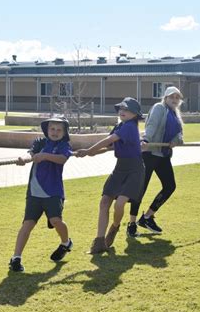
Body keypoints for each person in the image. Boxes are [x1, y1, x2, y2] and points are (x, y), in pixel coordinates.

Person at [77, 97, 145, 254]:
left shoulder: (129, 126)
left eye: (126, 109)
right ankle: (99, 241)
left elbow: (109, 139)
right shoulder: (120, 126)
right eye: (121, 108)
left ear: (135, 114)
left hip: (134, 170)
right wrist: (91, 153)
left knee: (119, 204)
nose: (122, 111)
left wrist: (89, 150)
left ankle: (114, 227)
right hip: (120, 168)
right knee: (104, 202)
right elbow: (109, 146)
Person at [10, 118, 73, 272]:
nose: (55, 132)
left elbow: (62, 159)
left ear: (64, 132)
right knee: (27, 224)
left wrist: (44, 156)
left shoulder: (64, 145)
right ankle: (16, 258)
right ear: (47, 130)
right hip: (34, 193)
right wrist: (23, 159)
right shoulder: (39, 142)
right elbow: (29, 154)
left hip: (53, 192)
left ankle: (66, 243)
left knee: (56, 221)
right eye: (52, 129)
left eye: (59, 130)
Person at [127, 86, 184, 237]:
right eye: (171, 97)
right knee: (141, 188)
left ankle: (147, 217)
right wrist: (146, 140)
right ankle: (131, 224)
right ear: (165, 98)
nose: (174, 100)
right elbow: (151, 126)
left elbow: (179, 133)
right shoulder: (160, 108)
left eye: (177, 97)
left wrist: (175, 140)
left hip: (163, 155)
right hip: (150, 153)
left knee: (170, 186)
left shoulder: (175, 114)